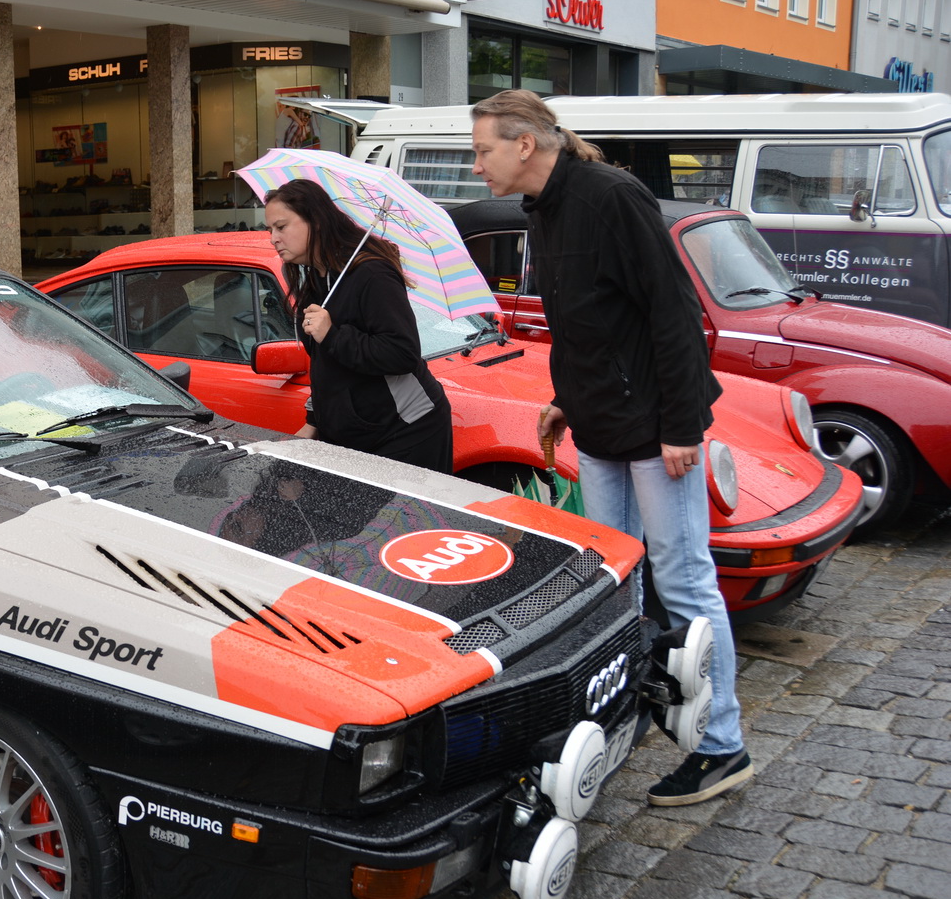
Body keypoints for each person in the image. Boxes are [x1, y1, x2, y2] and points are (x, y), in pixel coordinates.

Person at [469, 88, 749, 807]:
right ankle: (633, 709)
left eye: (482, 151)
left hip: (657, 431)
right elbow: (594, 325)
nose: (476, 166)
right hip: (597, 428)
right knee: (614, 584)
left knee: (683, 576)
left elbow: (674, 314)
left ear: (524, 143)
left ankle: (722, 745)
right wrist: (569, 397)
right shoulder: (546, 209)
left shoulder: (611, 196)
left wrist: (683, 424)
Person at [263, 178, 453, 475]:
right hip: (356, 435)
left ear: (316, 221)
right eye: (270, 229)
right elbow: (328, 368)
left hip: (407, 431)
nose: (273, 238)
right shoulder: (316, 281)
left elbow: (402, 353)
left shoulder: (372, 274)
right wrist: (315, 421)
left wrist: (334, 334)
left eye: (282, 227)